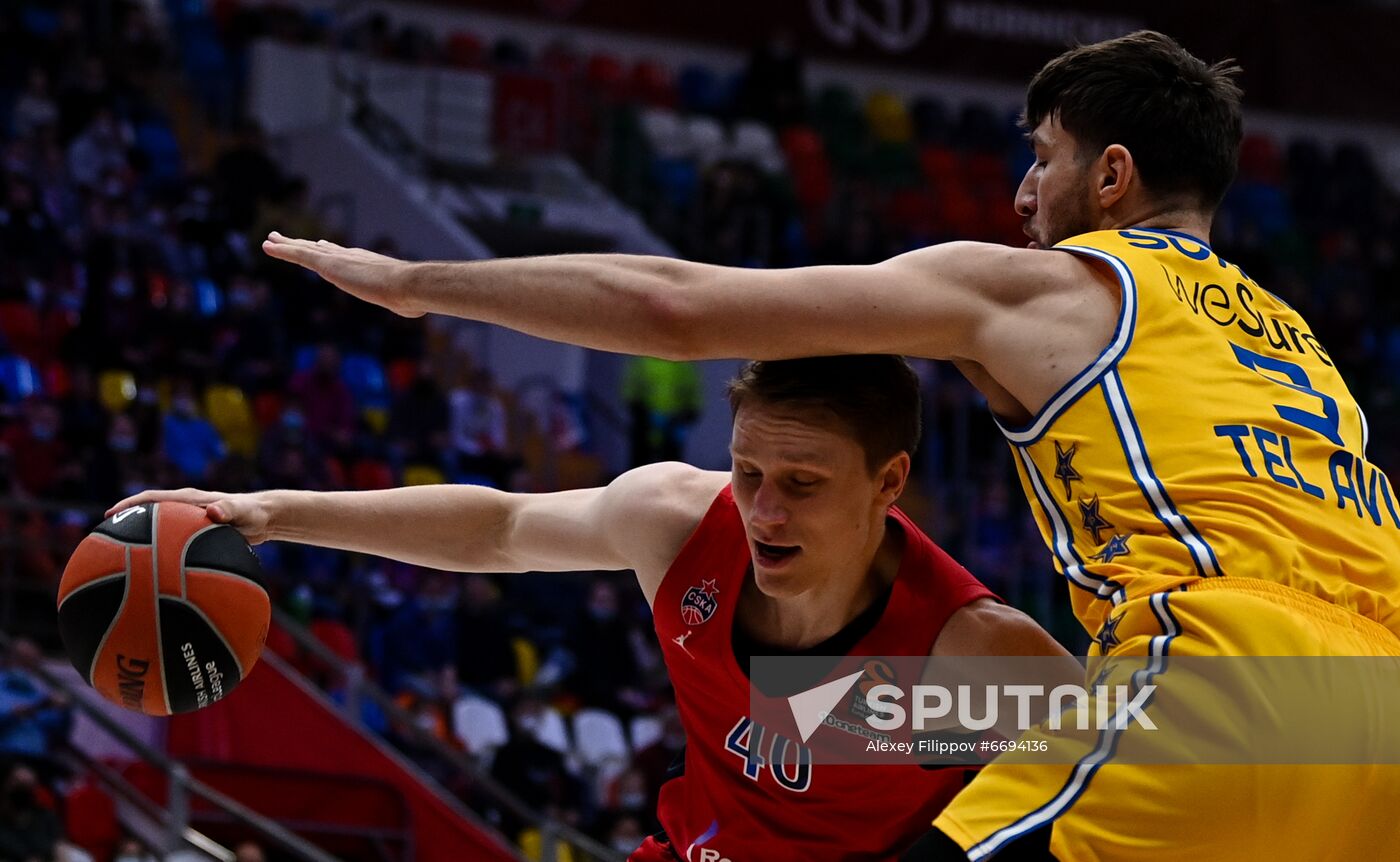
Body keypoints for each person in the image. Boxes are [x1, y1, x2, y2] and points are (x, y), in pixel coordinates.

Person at [258, 30, 1400, 861]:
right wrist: (813, 718)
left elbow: (675, 309)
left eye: (1043, 159)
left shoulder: (1055, 286)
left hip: (1223, 671)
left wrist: (415, 286)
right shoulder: (1295, 351)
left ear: (1111, 177)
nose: (1020, 193)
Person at [109, 356, 1070, 860]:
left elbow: (1188, 749)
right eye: (748, 472)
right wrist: (271, 513)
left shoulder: (969, 651)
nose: (764, 511)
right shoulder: (681, 524)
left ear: (889, 481)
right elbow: (500, 528)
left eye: (804, 485)